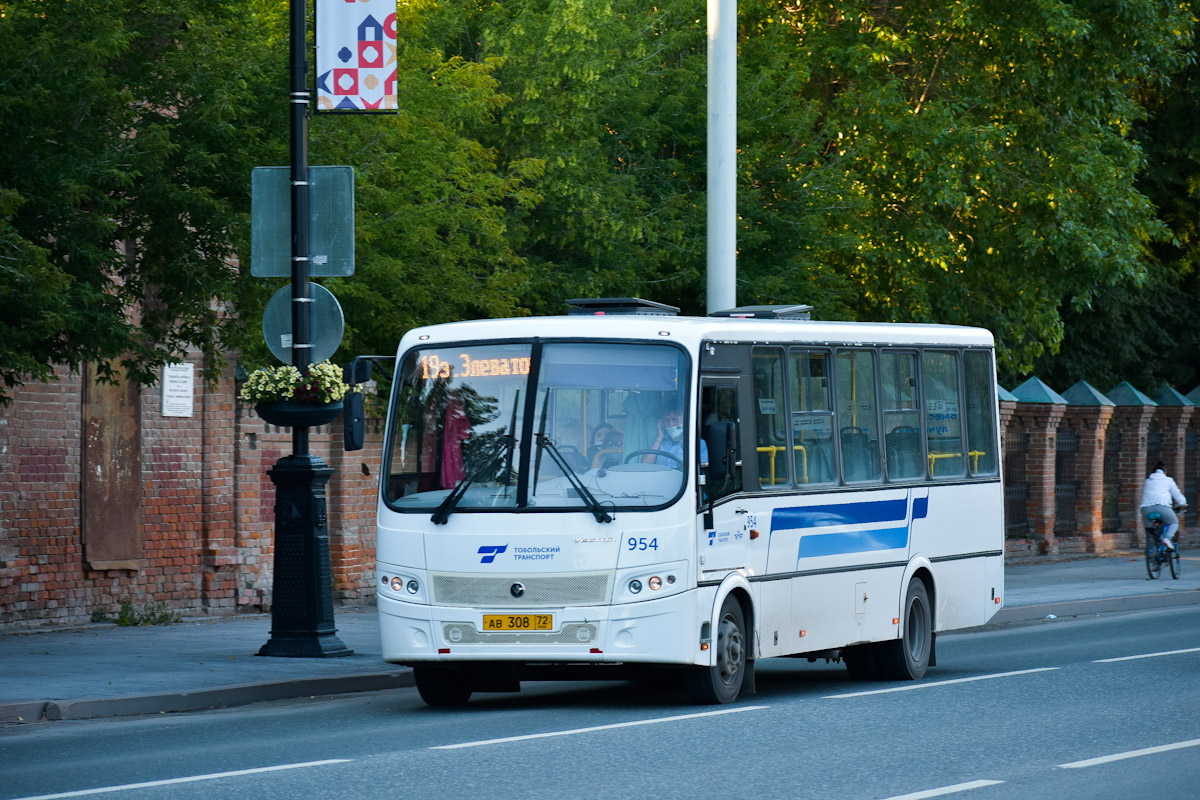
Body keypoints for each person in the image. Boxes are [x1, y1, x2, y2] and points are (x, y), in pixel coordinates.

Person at [644, 400, 706, 468]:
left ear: (685, 420)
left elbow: (701, 470)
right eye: (666, 421)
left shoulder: (698, 443)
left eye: (675, 419)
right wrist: (659, 438)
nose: (671, 424)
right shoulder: (658, 442)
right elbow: (645, 465)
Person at [1140, 460, 1187, 551]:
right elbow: (1178, 496)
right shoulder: (1168, 480)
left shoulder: (1147, 481)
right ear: (1165, 472)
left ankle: (1152, 549)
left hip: (1146, 508)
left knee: (1150, 530)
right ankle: (1167, 539)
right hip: (1163, 506)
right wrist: (1183, 504)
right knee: (1173, 523)